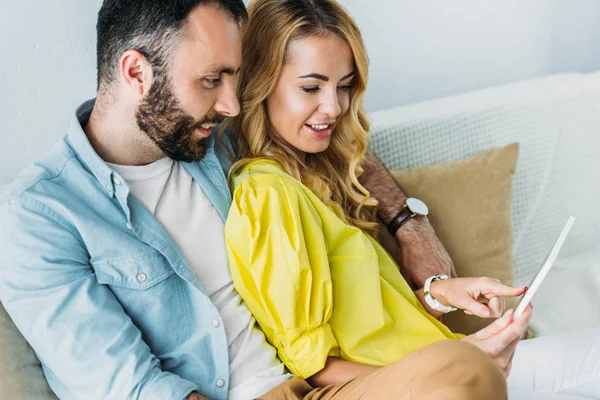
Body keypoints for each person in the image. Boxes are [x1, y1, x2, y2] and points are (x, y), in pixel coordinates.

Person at [0, 1, 506, 399]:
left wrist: (408, 225)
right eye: (211, 79)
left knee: (461, 370)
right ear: (135, 72)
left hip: (311, 387)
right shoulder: (40, 217)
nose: (230, 103)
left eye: (234, 78)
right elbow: (130, 388)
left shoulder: (214, 139)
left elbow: (333, 135)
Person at [224, 0, 600, 399]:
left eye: (345, 85)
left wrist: (442, 293)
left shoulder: (313, 183)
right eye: (311, 87)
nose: (334, 108)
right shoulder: (267, 196)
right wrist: (449, 369)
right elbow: (316, 368)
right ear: (260, 84)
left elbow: (373, 326)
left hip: (448, 365)